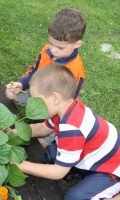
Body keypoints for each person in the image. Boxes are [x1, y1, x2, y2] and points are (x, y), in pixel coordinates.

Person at [11, 63, 120, 200]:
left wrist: (20, 165)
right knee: (50, 154)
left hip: (113, 172)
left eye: (37, 100)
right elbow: (42, 128)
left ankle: (118, 197)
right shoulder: (64, 108)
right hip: (95, 156)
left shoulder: (72, 129)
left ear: (55, 98)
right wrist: (11, 133)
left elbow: (58, 172)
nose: (33, 105)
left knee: (74, 197)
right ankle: (79, 172)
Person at [6, 8, 86, 150]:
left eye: (60, 47)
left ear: (77, 44)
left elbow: (66, 105)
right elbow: (34, 70)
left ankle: (48, 133)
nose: (53, 50)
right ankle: (36, 115)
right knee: (10, 93)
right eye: (51, 43)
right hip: (37, 95)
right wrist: (21, 83)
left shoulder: (74, 72)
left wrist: (48, 117)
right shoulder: (46, 51)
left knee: (42, 144)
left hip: (55, 109)